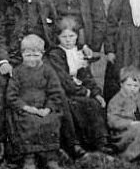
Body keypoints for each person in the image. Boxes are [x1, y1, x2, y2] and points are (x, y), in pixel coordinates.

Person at [0, 0, 85, 162]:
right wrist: (3, 62)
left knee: (57, 86)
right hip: (12, 59)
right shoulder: (1, 4)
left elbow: (53, 36)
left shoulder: (46, 4)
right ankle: (1, 142)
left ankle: (70, 142)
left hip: (39, 58)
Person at [46, 17, 110, 153]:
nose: (68, 40)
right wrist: (84, 91)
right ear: (58, 37)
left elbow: (86, 76)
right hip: (64, 92)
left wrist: (96, 92)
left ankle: (100, 141)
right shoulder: (55, 54)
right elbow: (64, 80)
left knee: (95, 103)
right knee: (76, 104)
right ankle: (75, 144)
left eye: (71, 36)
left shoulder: (78, 52)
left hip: (79, 89)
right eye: (64, 37)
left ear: (76, 36)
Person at [6, 34, 64, 169]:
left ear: (42, 54)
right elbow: (11, 96)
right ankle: (29, 157)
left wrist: (48, 108)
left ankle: (50, 157)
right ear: (22, 55)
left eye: (36, 55)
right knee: (29, 122)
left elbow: (55, 92)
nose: (32, 59)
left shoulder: (48, 71)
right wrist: (27, 108)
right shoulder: (17, 72)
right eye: (28, 55)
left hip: (44, 108)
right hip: (25, 109)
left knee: (50, 121)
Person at [106, 66, 140, 161]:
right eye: (129, 85)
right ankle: (130, 155)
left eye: (136, 86)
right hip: (123, 132)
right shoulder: (116, 100)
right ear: (121, 84)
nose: (132, 89)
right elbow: (112, 120)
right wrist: (130, 123)